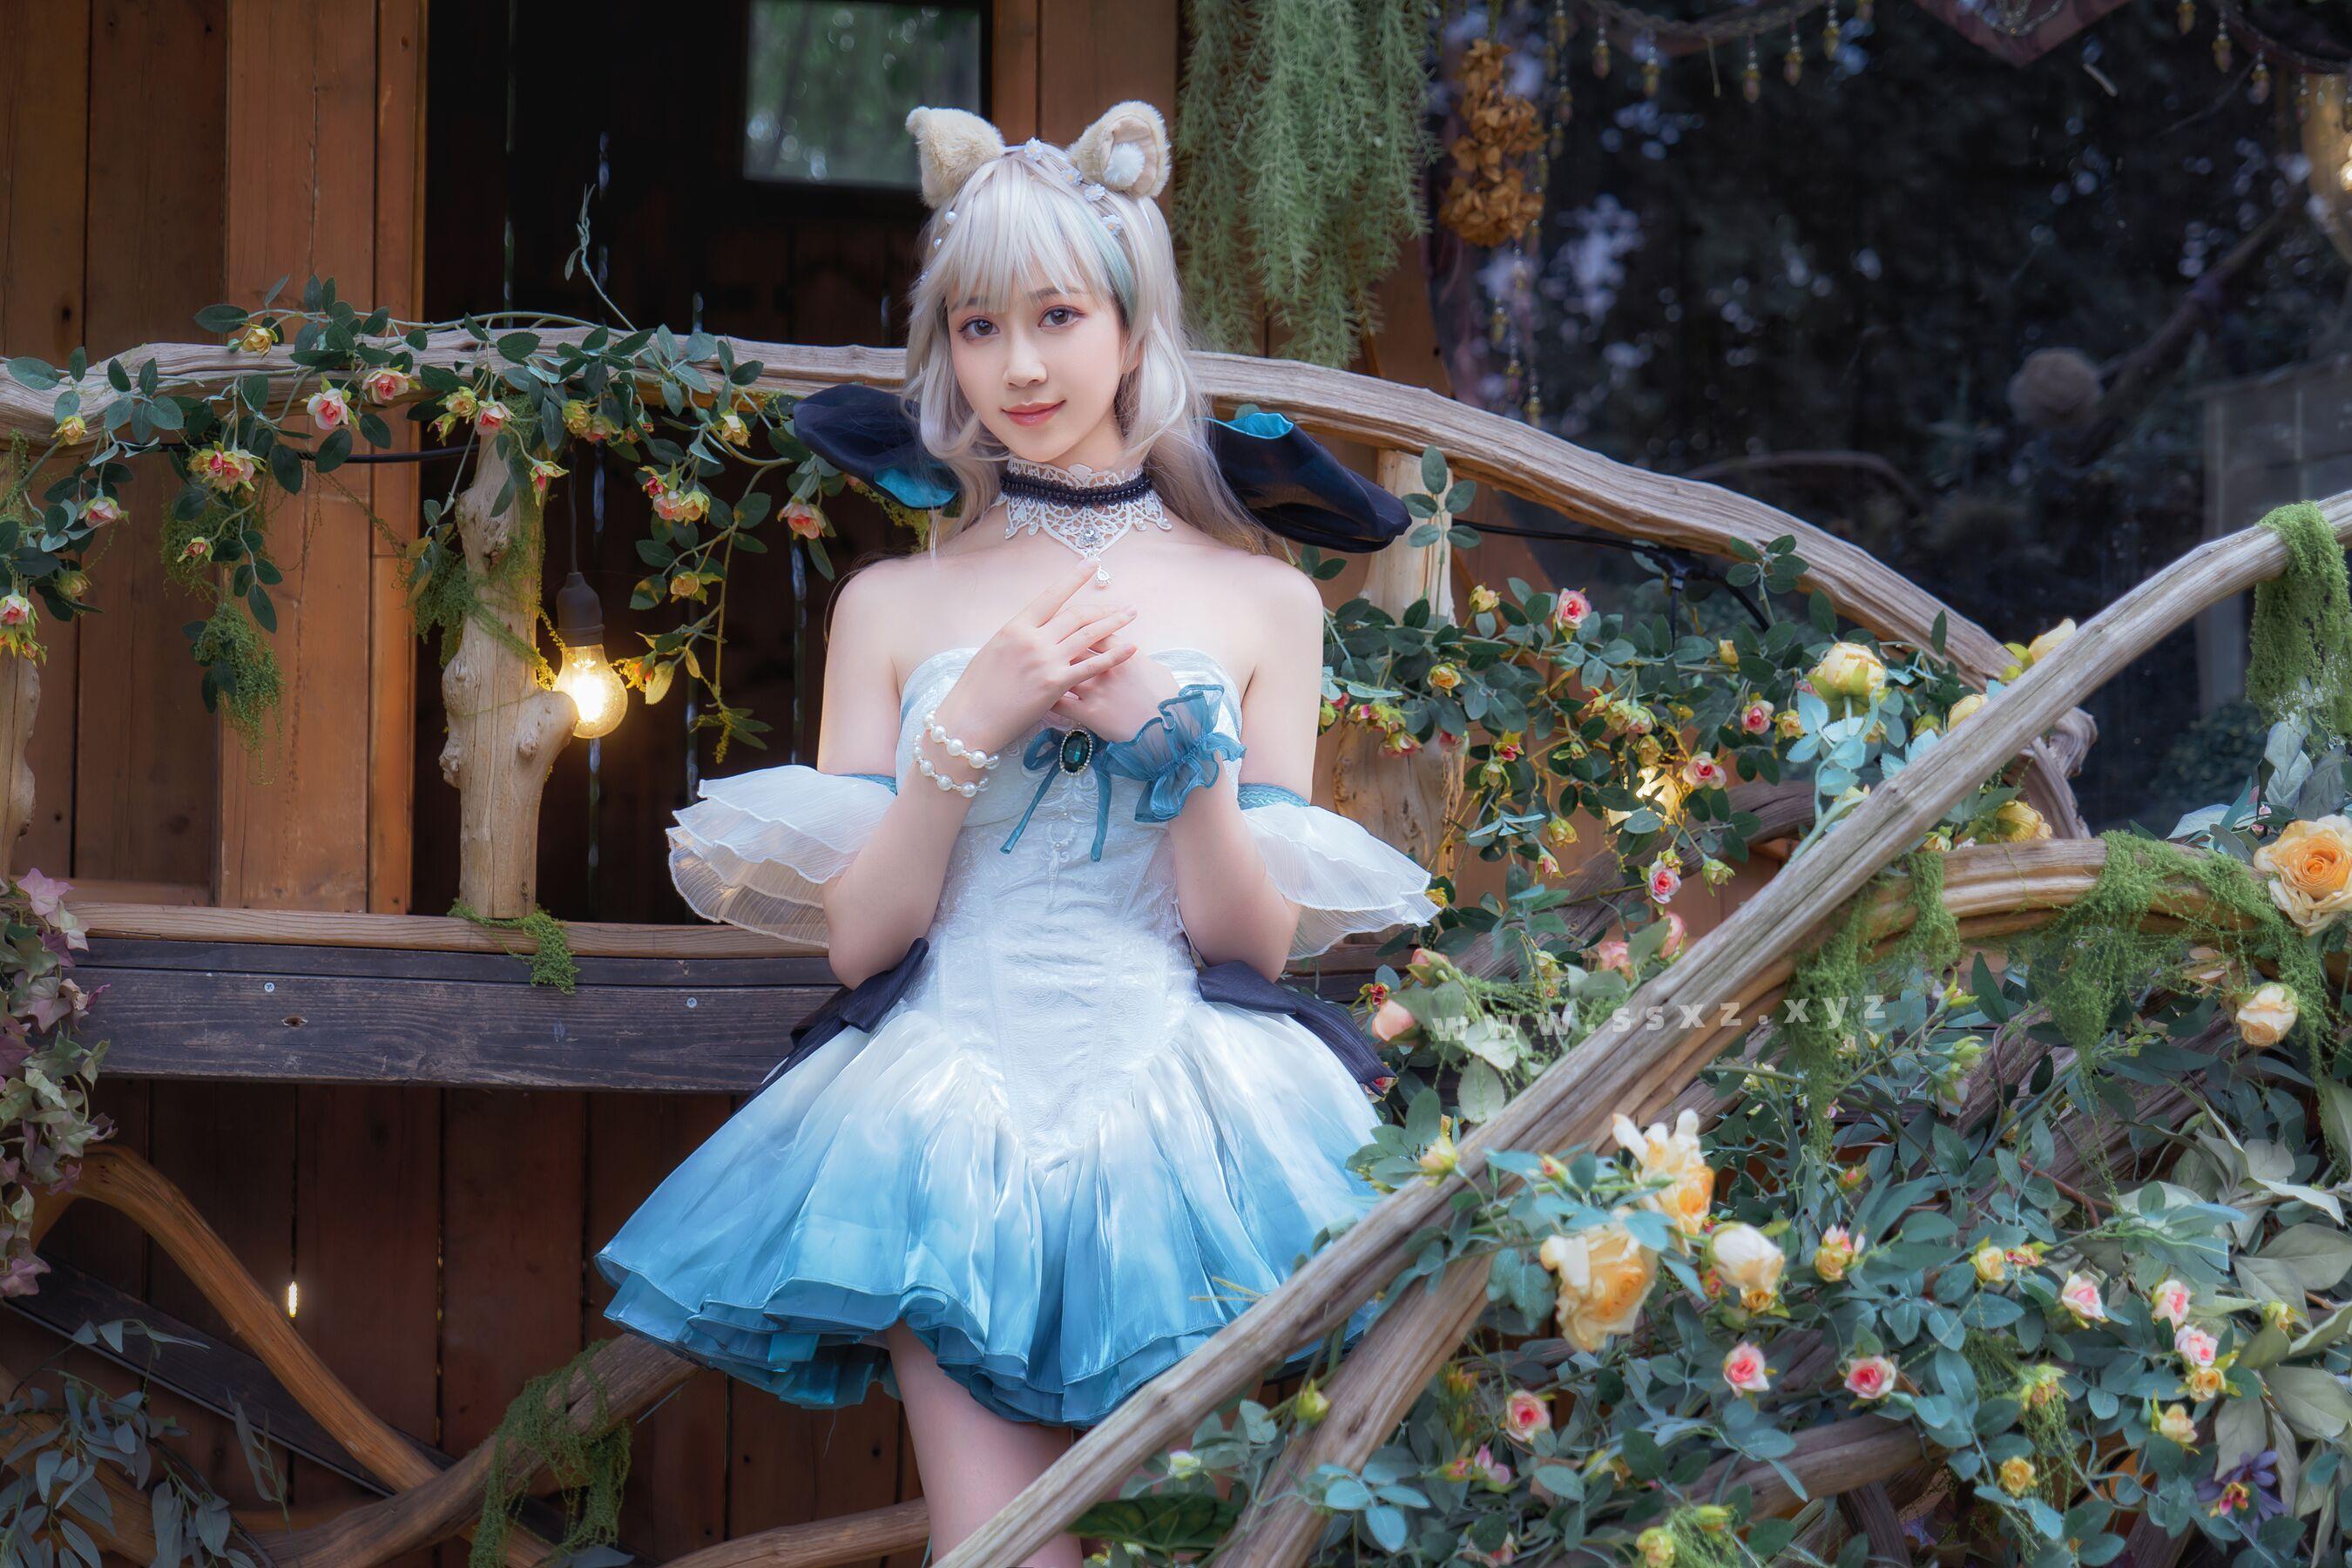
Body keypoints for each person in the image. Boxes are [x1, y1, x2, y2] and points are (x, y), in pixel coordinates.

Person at [593, 100, 1436, 1565]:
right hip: (940, 1123)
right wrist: (963, 729)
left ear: (1134, 323)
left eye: (1057, 316)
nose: (1021, 367)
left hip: (1185, 1123)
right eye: (979, 327)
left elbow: (1251, 944)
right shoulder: (891, 604)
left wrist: (1175, 753)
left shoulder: (1265, 600)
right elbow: (861, 943)